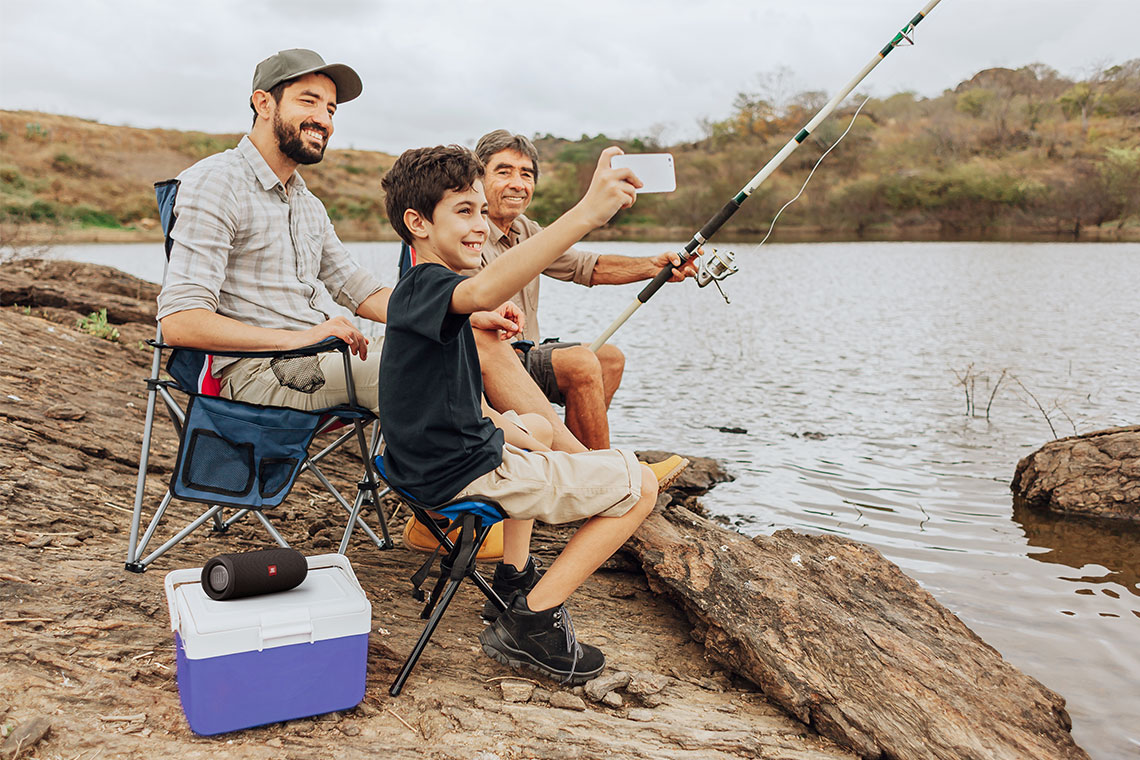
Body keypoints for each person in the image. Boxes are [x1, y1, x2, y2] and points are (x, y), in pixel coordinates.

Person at [154, 48, 518, 557]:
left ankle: (489, 490)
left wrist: (462, 310)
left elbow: (358, 287)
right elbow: (180, 323)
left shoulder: (305, 201)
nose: (323, 118)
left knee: (454, 337)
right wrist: (302, 337)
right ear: (263, 103)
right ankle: (476, 500)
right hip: (251, 370)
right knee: (416, 368)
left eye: (331, 109)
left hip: (320, 359)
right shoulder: (217, 182)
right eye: (310, 101)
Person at [378, 144, 687, 683]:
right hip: (462, 474)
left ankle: (515, 575)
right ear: (417, 223)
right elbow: (481, 289)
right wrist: (589, 211)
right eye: (464, 212)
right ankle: (533, 621)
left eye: (481, 211)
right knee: (639, 486)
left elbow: (441, 396)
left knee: (537, 426)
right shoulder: (433, 285)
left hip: (424, 465)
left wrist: (507, 421)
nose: (479, 227)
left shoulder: (423, 293)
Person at [473, 130, 698, 450]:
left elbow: (585, 267)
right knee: (580, 363)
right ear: (479, 177)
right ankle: (603, 475)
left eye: (526, 174)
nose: (518, 183)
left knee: (609, 358)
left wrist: (654, 265)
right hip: (490, 366)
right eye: (504, 171)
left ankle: (577, 459)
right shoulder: (469, 230)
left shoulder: (526, 228)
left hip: (527, 354)